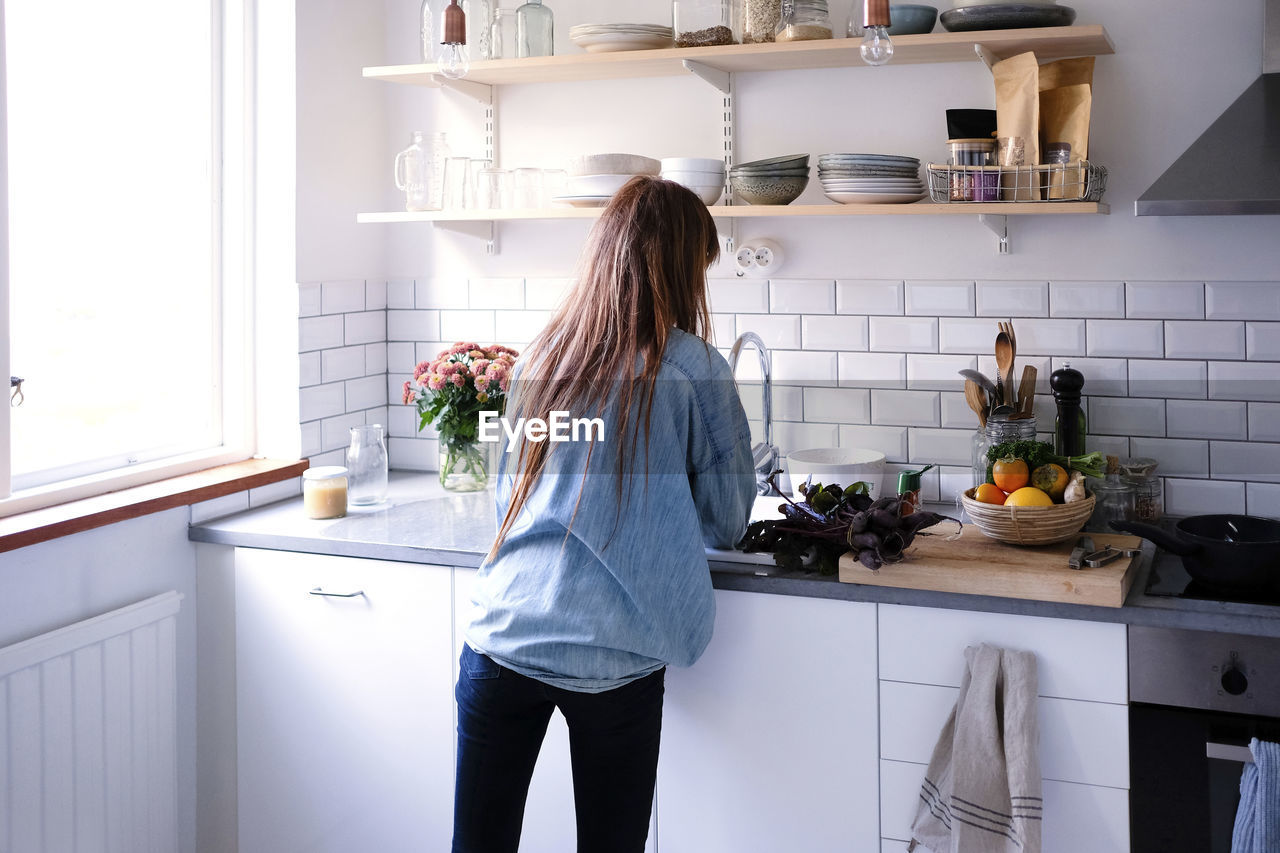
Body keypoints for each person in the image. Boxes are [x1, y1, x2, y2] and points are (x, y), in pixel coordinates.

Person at [452, 176, 758, 853]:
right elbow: (729, 520)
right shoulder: (693, 368)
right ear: (680, 267)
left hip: (501, 638)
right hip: (614, 662)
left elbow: (510, 494)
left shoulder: (544, 354)